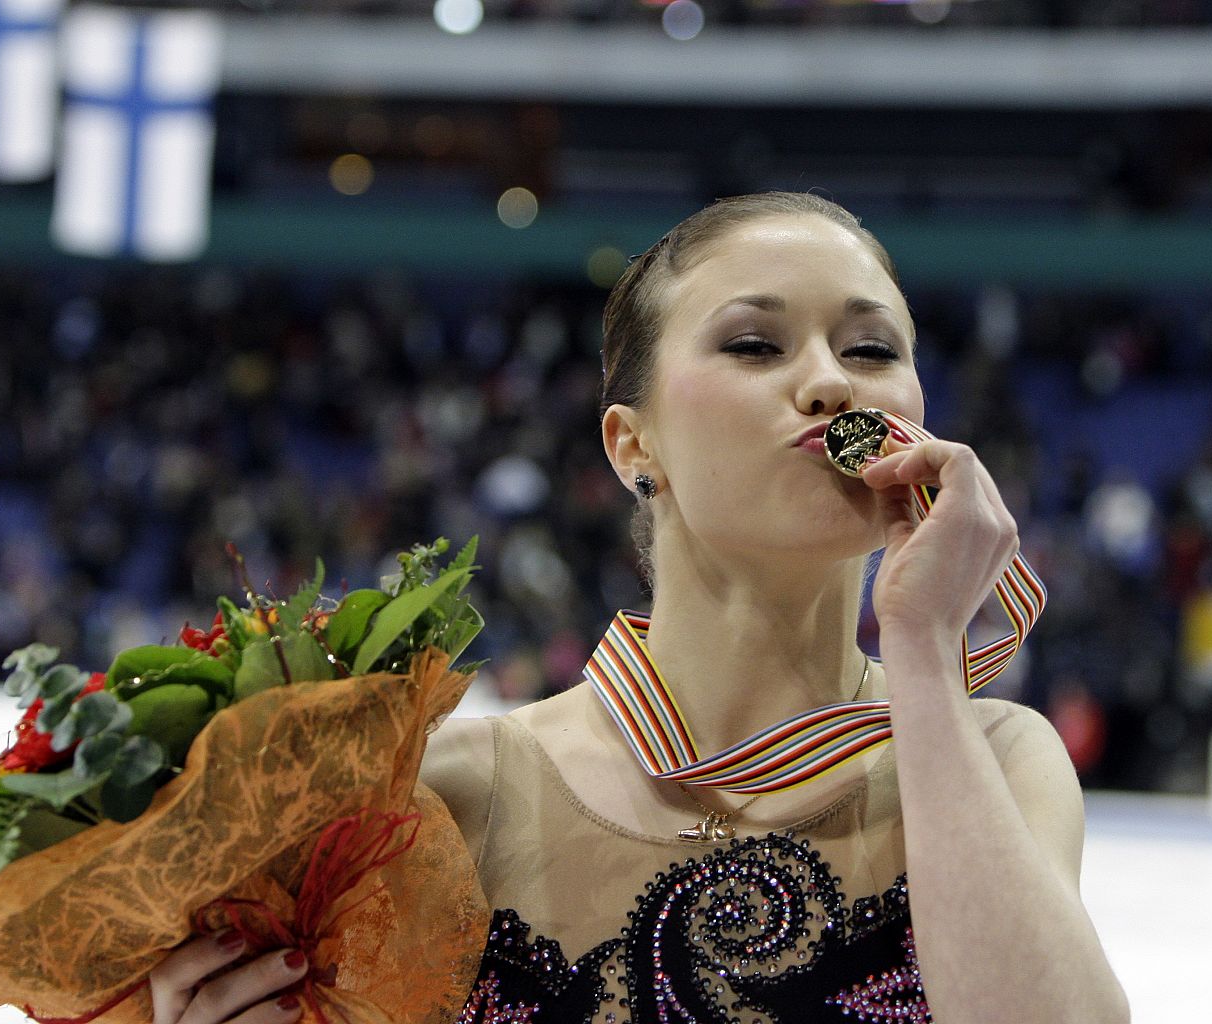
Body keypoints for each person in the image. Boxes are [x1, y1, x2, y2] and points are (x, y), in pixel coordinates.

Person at [145, 192, 1129, 1024]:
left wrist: (923, 644)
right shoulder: (455, 791)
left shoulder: (992, 758)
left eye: (870, 348)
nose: (831, 380)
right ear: (631, 445)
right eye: (755, 342)